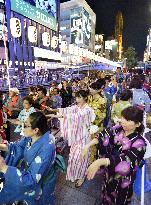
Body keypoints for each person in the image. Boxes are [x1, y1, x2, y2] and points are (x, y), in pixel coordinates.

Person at [82, 106, 146, 205]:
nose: (123, 121)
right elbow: (103, 134)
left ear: (137, 124)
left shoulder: (140, 143)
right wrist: (88, 145)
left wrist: (101, 161)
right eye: (123, 117)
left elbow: (127, 160)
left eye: (128, 120)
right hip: (109, 172)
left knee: (118, 199)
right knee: (106, 191)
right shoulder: (118, 128)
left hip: (123, 180)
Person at [0, 112, 56, 205]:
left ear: (36, 130)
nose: (23, 128)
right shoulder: (30, 136)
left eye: (25, 125)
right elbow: (18, 147)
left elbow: (32, 180)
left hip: (39, 181)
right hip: (29, 171)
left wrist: (4, 168)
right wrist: (1, 146)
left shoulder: (47, 148)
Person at [47, 90, 95, 187]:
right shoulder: (77, 107)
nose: (77, 99)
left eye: (79, 97)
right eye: (76, 97)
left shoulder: (87, 110)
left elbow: (74, 116)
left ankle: (81, 177)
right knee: (73, 157)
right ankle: (73, 175)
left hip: (84, 137)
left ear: (85, 98)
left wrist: (56, 115)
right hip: (76, 137)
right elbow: (66, 110)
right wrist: (53, 110)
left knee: (82, 158)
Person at [88, 79, 106, 163]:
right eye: (91, 88)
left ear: (99, 90)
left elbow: (102, 115)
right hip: (88, 125)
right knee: (89, 144)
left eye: (93, 88)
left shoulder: (102, 100)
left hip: (96, 126)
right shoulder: (90, 97)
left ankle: (93, 162)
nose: (91, 89)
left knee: (94, 145)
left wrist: (92, 117)